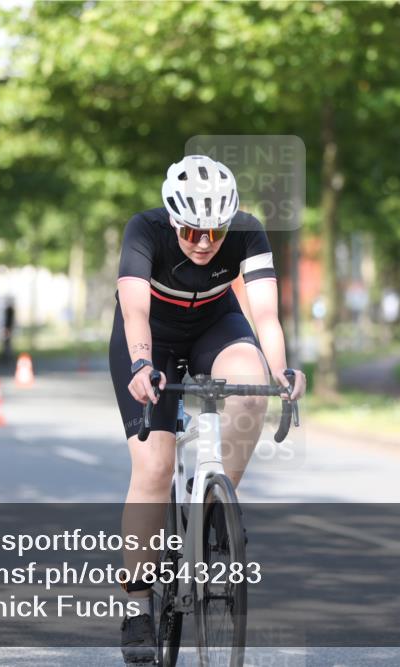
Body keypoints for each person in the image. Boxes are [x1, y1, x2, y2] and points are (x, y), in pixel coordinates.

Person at [109, 155, 307, 664]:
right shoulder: (144, 230)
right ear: (174, 219)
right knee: (153, 467)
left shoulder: (248, 232)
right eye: (193, 231)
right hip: (150, 338)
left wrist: (282, 370)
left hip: (216, 326)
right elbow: (134, 310)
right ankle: (136, 605)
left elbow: (264, 311)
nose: (204, 243)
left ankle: (213, 509)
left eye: (215, 232)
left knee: (252, 378)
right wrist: (140, 365)